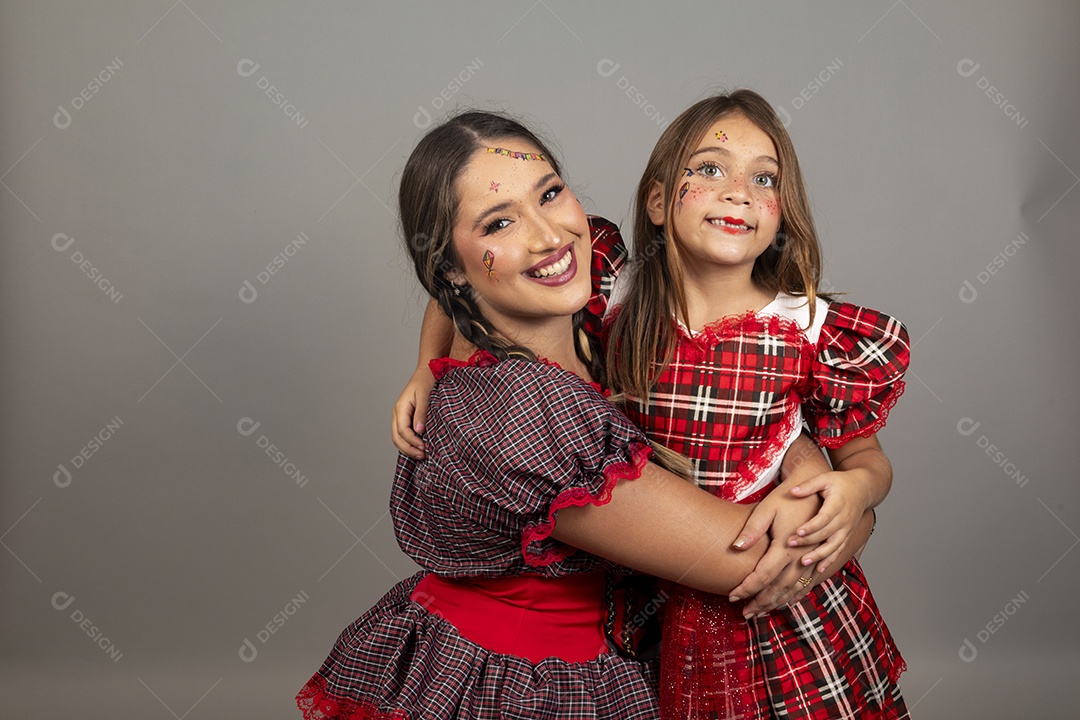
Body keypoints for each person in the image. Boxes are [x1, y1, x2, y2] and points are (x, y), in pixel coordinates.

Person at [301, 111, 875, 719]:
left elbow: (456, 295)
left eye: (549, 194)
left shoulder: (587, 308)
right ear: (448, 266)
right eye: (500, 222)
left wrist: (424, 363)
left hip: (609, 648)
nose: (550, 236)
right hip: (526, 685)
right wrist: (851, 512)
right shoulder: (522, 409)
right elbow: (748, 563)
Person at [604, 89, 911, 718]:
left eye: (763, 178)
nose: (738, 190)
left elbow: (868, 460)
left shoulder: (810, 326)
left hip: (781, 608)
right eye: (710, 168)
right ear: (659, 200)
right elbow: (480, 267)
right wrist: (426, 368)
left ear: (780, 212)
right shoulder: (614, 299)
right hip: (651, 589)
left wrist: (856, 491)